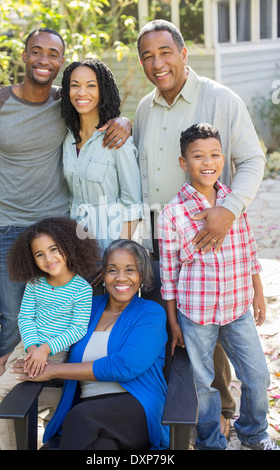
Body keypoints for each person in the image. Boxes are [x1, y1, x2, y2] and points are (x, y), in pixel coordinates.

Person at [133, 18, 266, 432]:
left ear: (184, 53)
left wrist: (229, 209)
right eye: (148, 56)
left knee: (218, 335)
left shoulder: (220, 99)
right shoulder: (143, 108)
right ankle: (178, 419)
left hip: (214, 237)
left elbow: (253, 160)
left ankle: (226, 416)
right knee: (179, 333)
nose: (158, 63)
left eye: (165, 52)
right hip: (161, 237)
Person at [0, 27, 131, 358]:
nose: (43, 60)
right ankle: (10, 407)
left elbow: (95, 104)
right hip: (10, 230)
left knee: (69, 316)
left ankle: (60, 397)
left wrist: (125, 121)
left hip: (61, 230)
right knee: (13, 318)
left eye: (52, 54)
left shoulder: (65, 99)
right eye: (36, 51)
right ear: (24, 55)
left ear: (61, 60)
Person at [158, 123, 276, 450]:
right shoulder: (173, 214)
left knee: (257, 377)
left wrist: (258, 292)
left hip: (237, 307)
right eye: (198, 156)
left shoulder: (233, 203)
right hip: (196, 315)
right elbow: (169, 275)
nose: (207, 162)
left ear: (223, 158)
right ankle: (212, 442)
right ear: (184, 163)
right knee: (203, 385)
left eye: (214, 154)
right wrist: (173, 322)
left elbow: (248, 248)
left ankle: (254, 433)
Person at [12, 239, 169, 450]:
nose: (121, 277)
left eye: (130, 270)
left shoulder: (151, 313)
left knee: (80, 417)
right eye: (113, 270)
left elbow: (124, 366)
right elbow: (46, 331)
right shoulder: (87, 306)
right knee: (102, 448)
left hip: (136, 405)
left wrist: (52, 371)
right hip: (90, 410)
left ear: (141, 275)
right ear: (103, 275)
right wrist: (4, 359)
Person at [0, 216, 100, 450]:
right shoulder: (35, 284)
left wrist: (45, 350)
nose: (48, 259)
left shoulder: (81, 289)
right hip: (29, 348)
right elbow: (25, 317)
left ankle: (54, 419)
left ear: (68, 247)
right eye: (39, 254)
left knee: (4, 390)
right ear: (32, 258)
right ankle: (9, 446)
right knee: (1, 390)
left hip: (57, 352)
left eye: (54, 249)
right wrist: (32, 348)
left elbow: (77, 329)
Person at [60, 59, 142, 255]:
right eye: (75, 85)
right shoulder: (67, 138)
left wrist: (115, 257)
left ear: (103, 91)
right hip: (76, 247)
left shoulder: (117, 139)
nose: (81, 93)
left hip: (110, 243)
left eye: (91, 86)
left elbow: (133, 207)